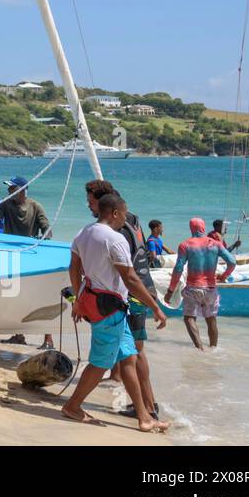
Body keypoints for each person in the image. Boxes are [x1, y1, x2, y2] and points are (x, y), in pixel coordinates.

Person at [61, 193, 169, 432]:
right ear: (114, 213)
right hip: (109, 308)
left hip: (96, 302)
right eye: (123, 214)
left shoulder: (84, 232)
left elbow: (74, 266)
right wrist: (155, 308)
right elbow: (130, 278)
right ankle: (73, 406)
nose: (125, 219)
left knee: (128, 358)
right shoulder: (115, 239)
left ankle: (144, 417)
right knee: (100, 363)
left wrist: (78, 300)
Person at [85, 179, 159, 420]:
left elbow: (125, 272)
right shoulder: (131, 218)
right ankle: (144, 406)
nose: (88, 205)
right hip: (139, 289)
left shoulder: (118, 227)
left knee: (135, 351)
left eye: (90, 200)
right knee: (130, 351)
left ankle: (148, 407)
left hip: (136, 293)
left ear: (104, 202)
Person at [0, 176, 54, 349]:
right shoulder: (5, 204)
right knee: (14, 296)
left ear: (22, 190)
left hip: (30, 256)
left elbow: (47, 229)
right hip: (12, 257)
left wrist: (44, 237)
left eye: (12, 189)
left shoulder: (35, 206)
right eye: (8, 189)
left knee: (39, 296)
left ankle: (48, 339)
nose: (8, 192)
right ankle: (18, 334)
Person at [165, 217, 236, 350]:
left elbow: (178, 268)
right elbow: (232, 262)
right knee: (211, 319)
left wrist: (170, 291)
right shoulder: (215, 244)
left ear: (191, 228)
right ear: (203, 228)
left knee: (189, 318)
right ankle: (213, 349)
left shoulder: (185, 245)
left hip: (193, 288)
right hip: (211, 288)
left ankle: (200, 349)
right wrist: (224, 275)